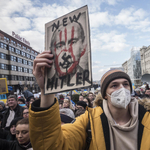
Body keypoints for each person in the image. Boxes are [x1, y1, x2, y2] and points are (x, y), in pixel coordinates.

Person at [30, 52, 150, 150]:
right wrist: (47, 91)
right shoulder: (88, 121)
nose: (122, 89)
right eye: (114, 85)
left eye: (125, 84)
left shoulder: (147, 117)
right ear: (105, 95)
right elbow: (53, 146)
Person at [46, 21, 90, 91]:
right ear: (51, 51)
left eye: (73, 42)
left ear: (83, 46)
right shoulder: (48, 84)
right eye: (59, 45)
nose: (65, 54)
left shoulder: (87, 80)